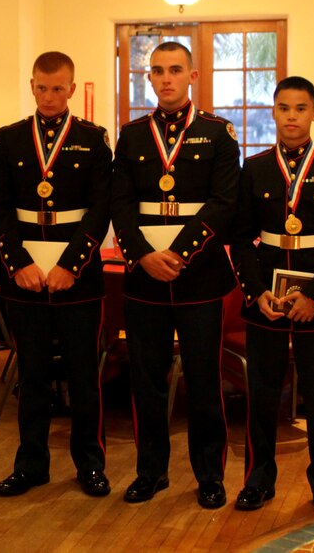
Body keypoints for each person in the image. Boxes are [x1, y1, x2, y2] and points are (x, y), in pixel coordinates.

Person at [109, 41, 240, 509]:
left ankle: (209, 475)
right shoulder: (131, 135)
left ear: (193, 76)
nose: (166, 78)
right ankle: (150, 472)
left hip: (199, 275)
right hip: (145, 279)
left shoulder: (218, 133)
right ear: (149, 79)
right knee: (146, 381)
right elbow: (119, 203)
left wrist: (178, 254)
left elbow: (224, 204)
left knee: (205, 381)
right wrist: (143, 255)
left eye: (175, 70)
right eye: (158, 71)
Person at [229, 76, 314, 515]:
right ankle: (258, 479)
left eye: (300, 108)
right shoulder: (257, 167)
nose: (291, 117)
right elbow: (242, 238)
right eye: (283, 108)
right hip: (267, 289)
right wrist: (256, 291)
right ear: (274, 112)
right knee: (261, 393)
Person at [0, 50, 113, 498]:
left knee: (84, 377)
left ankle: (91, 465)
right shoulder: (11, 138)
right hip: (25, 275)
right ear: (32, 86)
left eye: (58, 87)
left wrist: (70, 266)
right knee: (32, 375)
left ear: (72, 89)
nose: (48, 96)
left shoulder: (93, 140)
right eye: (41, 87)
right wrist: (18, 263)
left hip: (76, 276)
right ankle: (30, 465)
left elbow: (101, 210)